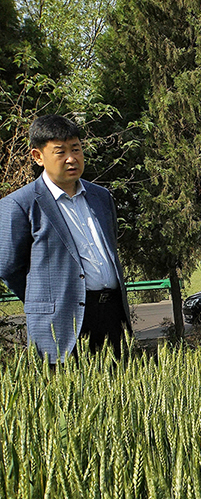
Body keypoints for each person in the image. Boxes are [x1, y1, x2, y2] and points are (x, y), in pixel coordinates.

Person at [0, 114, 130, 361]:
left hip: (111, 314)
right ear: (38, 156)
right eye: (60, 152)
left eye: (76, 149)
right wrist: (47, 298)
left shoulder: (101, 197)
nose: (71, 158)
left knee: (118, 383)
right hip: (59, 321)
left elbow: (111, 247)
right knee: (67, 384)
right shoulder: (20, 204)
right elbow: (7, 267)